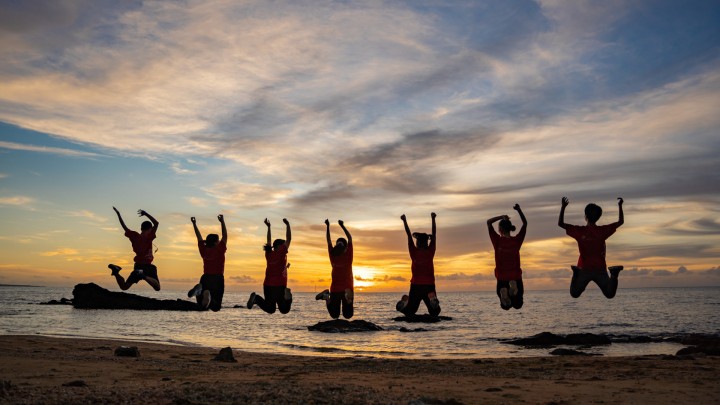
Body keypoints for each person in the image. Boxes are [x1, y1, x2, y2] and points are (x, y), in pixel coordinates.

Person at [558, 197, 625, 299]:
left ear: (585, 216)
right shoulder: (602, 231)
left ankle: (576, 274)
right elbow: (620, 222)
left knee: (574, 293)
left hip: (584, 269)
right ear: (598, 217)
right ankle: (614, 274)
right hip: (599, 269)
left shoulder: (580, 231)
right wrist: (620, 206)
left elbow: (561, 224)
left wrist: (563, 207)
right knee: (610, 294)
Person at [396, 212, 441, 316]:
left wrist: (404, 221)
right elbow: (434, 235)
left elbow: (408, 235)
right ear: (426, 243)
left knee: (410, 312)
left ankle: (405, 303)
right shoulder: (430, 251)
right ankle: (432, 299)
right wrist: (433, 219)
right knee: (435, 313)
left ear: (417, 243)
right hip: (429, 285)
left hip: (416, 285)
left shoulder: (414, 252)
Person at [108, 207, 161, 291]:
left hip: (138, 266)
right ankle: (143, 276)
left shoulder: (134, 236)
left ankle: (116, 272)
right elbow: (156, 223)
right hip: (147, 266)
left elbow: (124, 227)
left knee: (124, 287)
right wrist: (146, 213)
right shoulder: (148, 236)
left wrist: (118, 214)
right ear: (150, 229)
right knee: (157, 287)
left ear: (141, 228)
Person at [247, 218, 292, 314]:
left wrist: (269, 227)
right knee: (284, 309)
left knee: (270, 309)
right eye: (283, 244)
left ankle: (256, 299)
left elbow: (268, 241)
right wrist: (287, 225)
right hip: (280, 286)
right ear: (279, 247)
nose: (285, 245)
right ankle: (288, 296)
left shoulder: (268, 254)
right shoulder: (281, 253)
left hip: (268, 286)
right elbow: (289, 239)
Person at [487, 204, 527, 310]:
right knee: (518, 304)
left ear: (500, 229)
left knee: (506, 307)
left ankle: (507, 295)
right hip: (516, 276)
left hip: (501, 277)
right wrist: (519, 209)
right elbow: (525, 224)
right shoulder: (516, 241)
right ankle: (513, 291)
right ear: (510, 228)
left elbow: (488, 222)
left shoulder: (497, 241)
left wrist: (501, 216)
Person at [187, 214, 227, 311]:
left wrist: (194, 224)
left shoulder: (204, 250)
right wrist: (222, 221)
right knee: (216, 307)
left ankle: (203, 292)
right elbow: (225, 235)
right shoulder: (219, 249)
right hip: (217, 279)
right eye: (218, 240)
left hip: (206, 278)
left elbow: (199, 238)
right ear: (216, 242)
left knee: (203, 305)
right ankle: (206, 293)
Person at [315, 219, 354, 319]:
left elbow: (328, 240)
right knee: (346, 315)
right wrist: (342, 226)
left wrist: (328, 226)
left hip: (339, 289)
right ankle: (329, 297)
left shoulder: (334, 255)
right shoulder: (346, 255)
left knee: (336, 315)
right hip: (345, 289)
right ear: (345, 247)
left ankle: (327, 297)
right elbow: (350, 238)